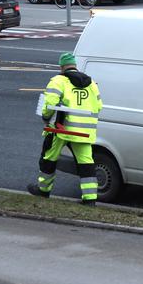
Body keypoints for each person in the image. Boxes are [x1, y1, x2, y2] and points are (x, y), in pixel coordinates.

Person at [28, 52, 103, 206]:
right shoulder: (92, 84)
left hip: (61, 130)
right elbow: (99, 106)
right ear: (75, 66)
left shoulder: (58, 81)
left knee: (49, 158)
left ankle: (43, 190)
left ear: (62, 67)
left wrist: (46, 118)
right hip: (84, 131)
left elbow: (50, 104)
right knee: (86, 164)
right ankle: (90, 200)